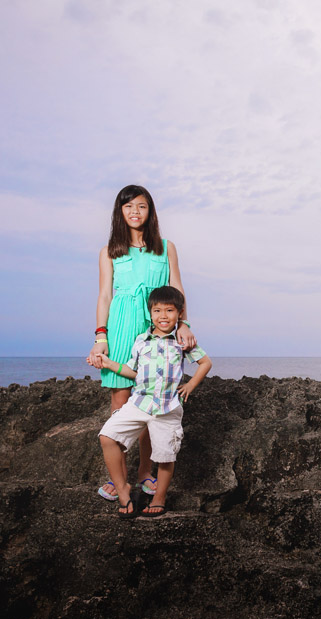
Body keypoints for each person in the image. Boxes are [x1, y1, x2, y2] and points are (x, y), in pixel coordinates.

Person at [87, 185, 196, 502]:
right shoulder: (109, 251)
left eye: (142, 206)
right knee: (120, 403)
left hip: (156, 329)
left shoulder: (166, 247)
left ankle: (144, 473)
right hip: (121, 327)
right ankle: (116, 477)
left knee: (155, 402)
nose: (135, 211)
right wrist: (100, 337)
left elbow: (176, 287)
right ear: (119, 212)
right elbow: (105, 295)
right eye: (128, 206)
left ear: (150, 211)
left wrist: (184, 324)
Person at [91, 286, 212, 517]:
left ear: (180, 313)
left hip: (168, 408)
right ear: (150, 313)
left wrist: (190, 385)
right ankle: (123, 490)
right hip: (139, 403)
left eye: (169, 310)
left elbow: (206, 363)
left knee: (165, 455)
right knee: (107, 436)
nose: (163, 316)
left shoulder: (181, 341)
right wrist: (108, 364)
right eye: (157, 310)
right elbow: (132, 371)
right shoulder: (141, 341)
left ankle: (159, 497)